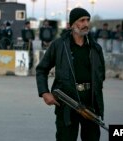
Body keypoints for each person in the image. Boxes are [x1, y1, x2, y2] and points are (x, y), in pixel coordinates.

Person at [36, 8, 105, 141]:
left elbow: (100, 75)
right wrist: (45, 93)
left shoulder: (96, 48)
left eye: (88, 20)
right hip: (66, 104)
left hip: (90, 104)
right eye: (82, 20)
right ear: (72, 24)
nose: (86, 23)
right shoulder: (59, 45)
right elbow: (41, 70)